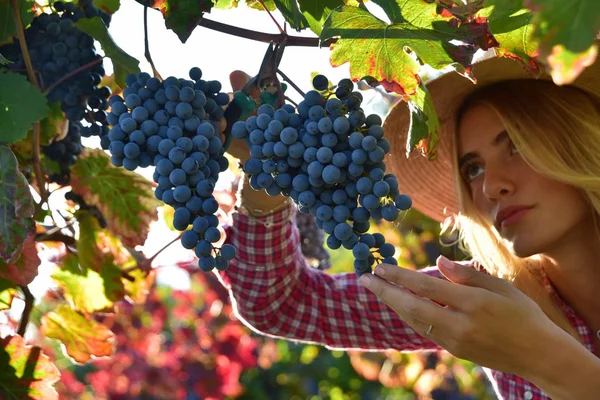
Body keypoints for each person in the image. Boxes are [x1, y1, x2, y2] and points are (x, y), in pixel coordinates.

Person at [215, 50, 600, 400]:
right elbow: (283, 305)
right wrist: (267, 173)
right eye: (473, 168)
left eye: (515, 145)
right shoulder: (490, 296)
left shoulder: (495, 312)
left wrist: (542, 357)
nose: (490, 185)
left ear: (582, 138)